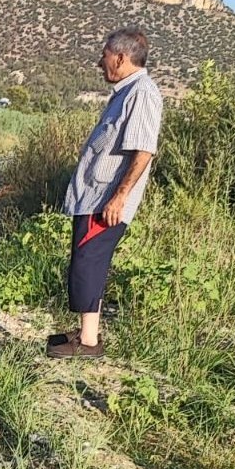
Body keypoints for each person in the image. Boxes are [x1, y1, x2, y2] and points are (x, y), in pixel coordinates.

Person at [47, 26, 163, 359]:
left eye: (105, 55)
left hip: (106, 200)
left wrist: (119, 197)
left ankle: (88, 343)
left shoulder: (142, 92)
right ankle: (87, 335)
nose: (101, 62)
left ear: (121, 57)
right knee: (87, 260)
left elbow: (143, 150)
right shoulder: (126, 92)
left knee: (88, 261)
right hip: (94, 196)